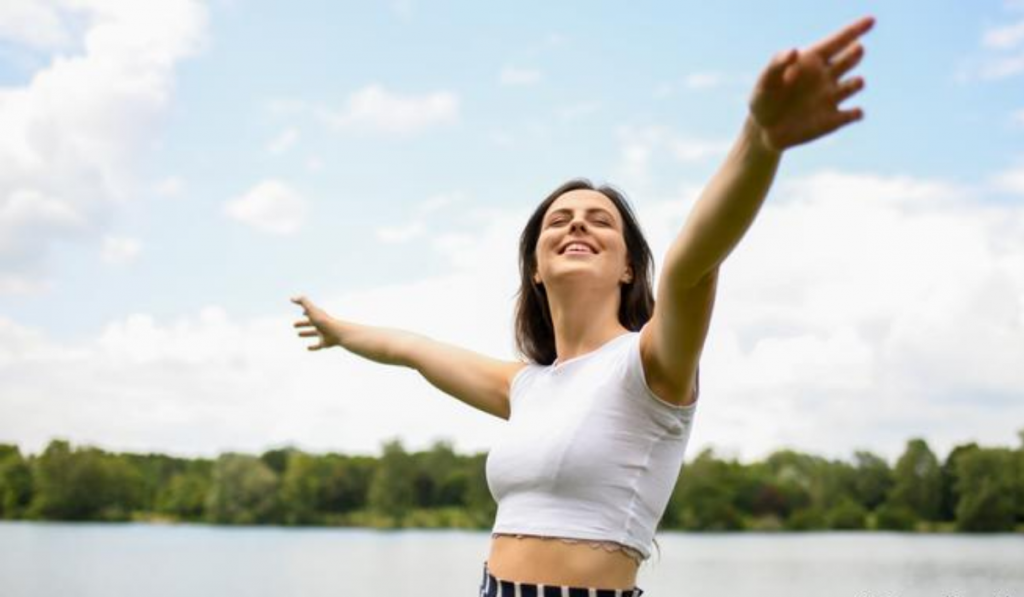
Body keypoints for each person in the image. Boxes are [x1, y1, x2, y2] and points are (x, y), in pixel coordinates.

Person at [291, 15, 875, 596]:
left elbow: (692, 265)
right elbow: (412, 349)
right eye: (559, 220)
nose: (577, 224)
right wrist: (340, 332)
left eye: (601, 221)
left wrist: (759, 140)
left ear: (627, 267)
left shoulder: (649, 365)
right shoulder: (525, 387)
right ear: (537, 270)